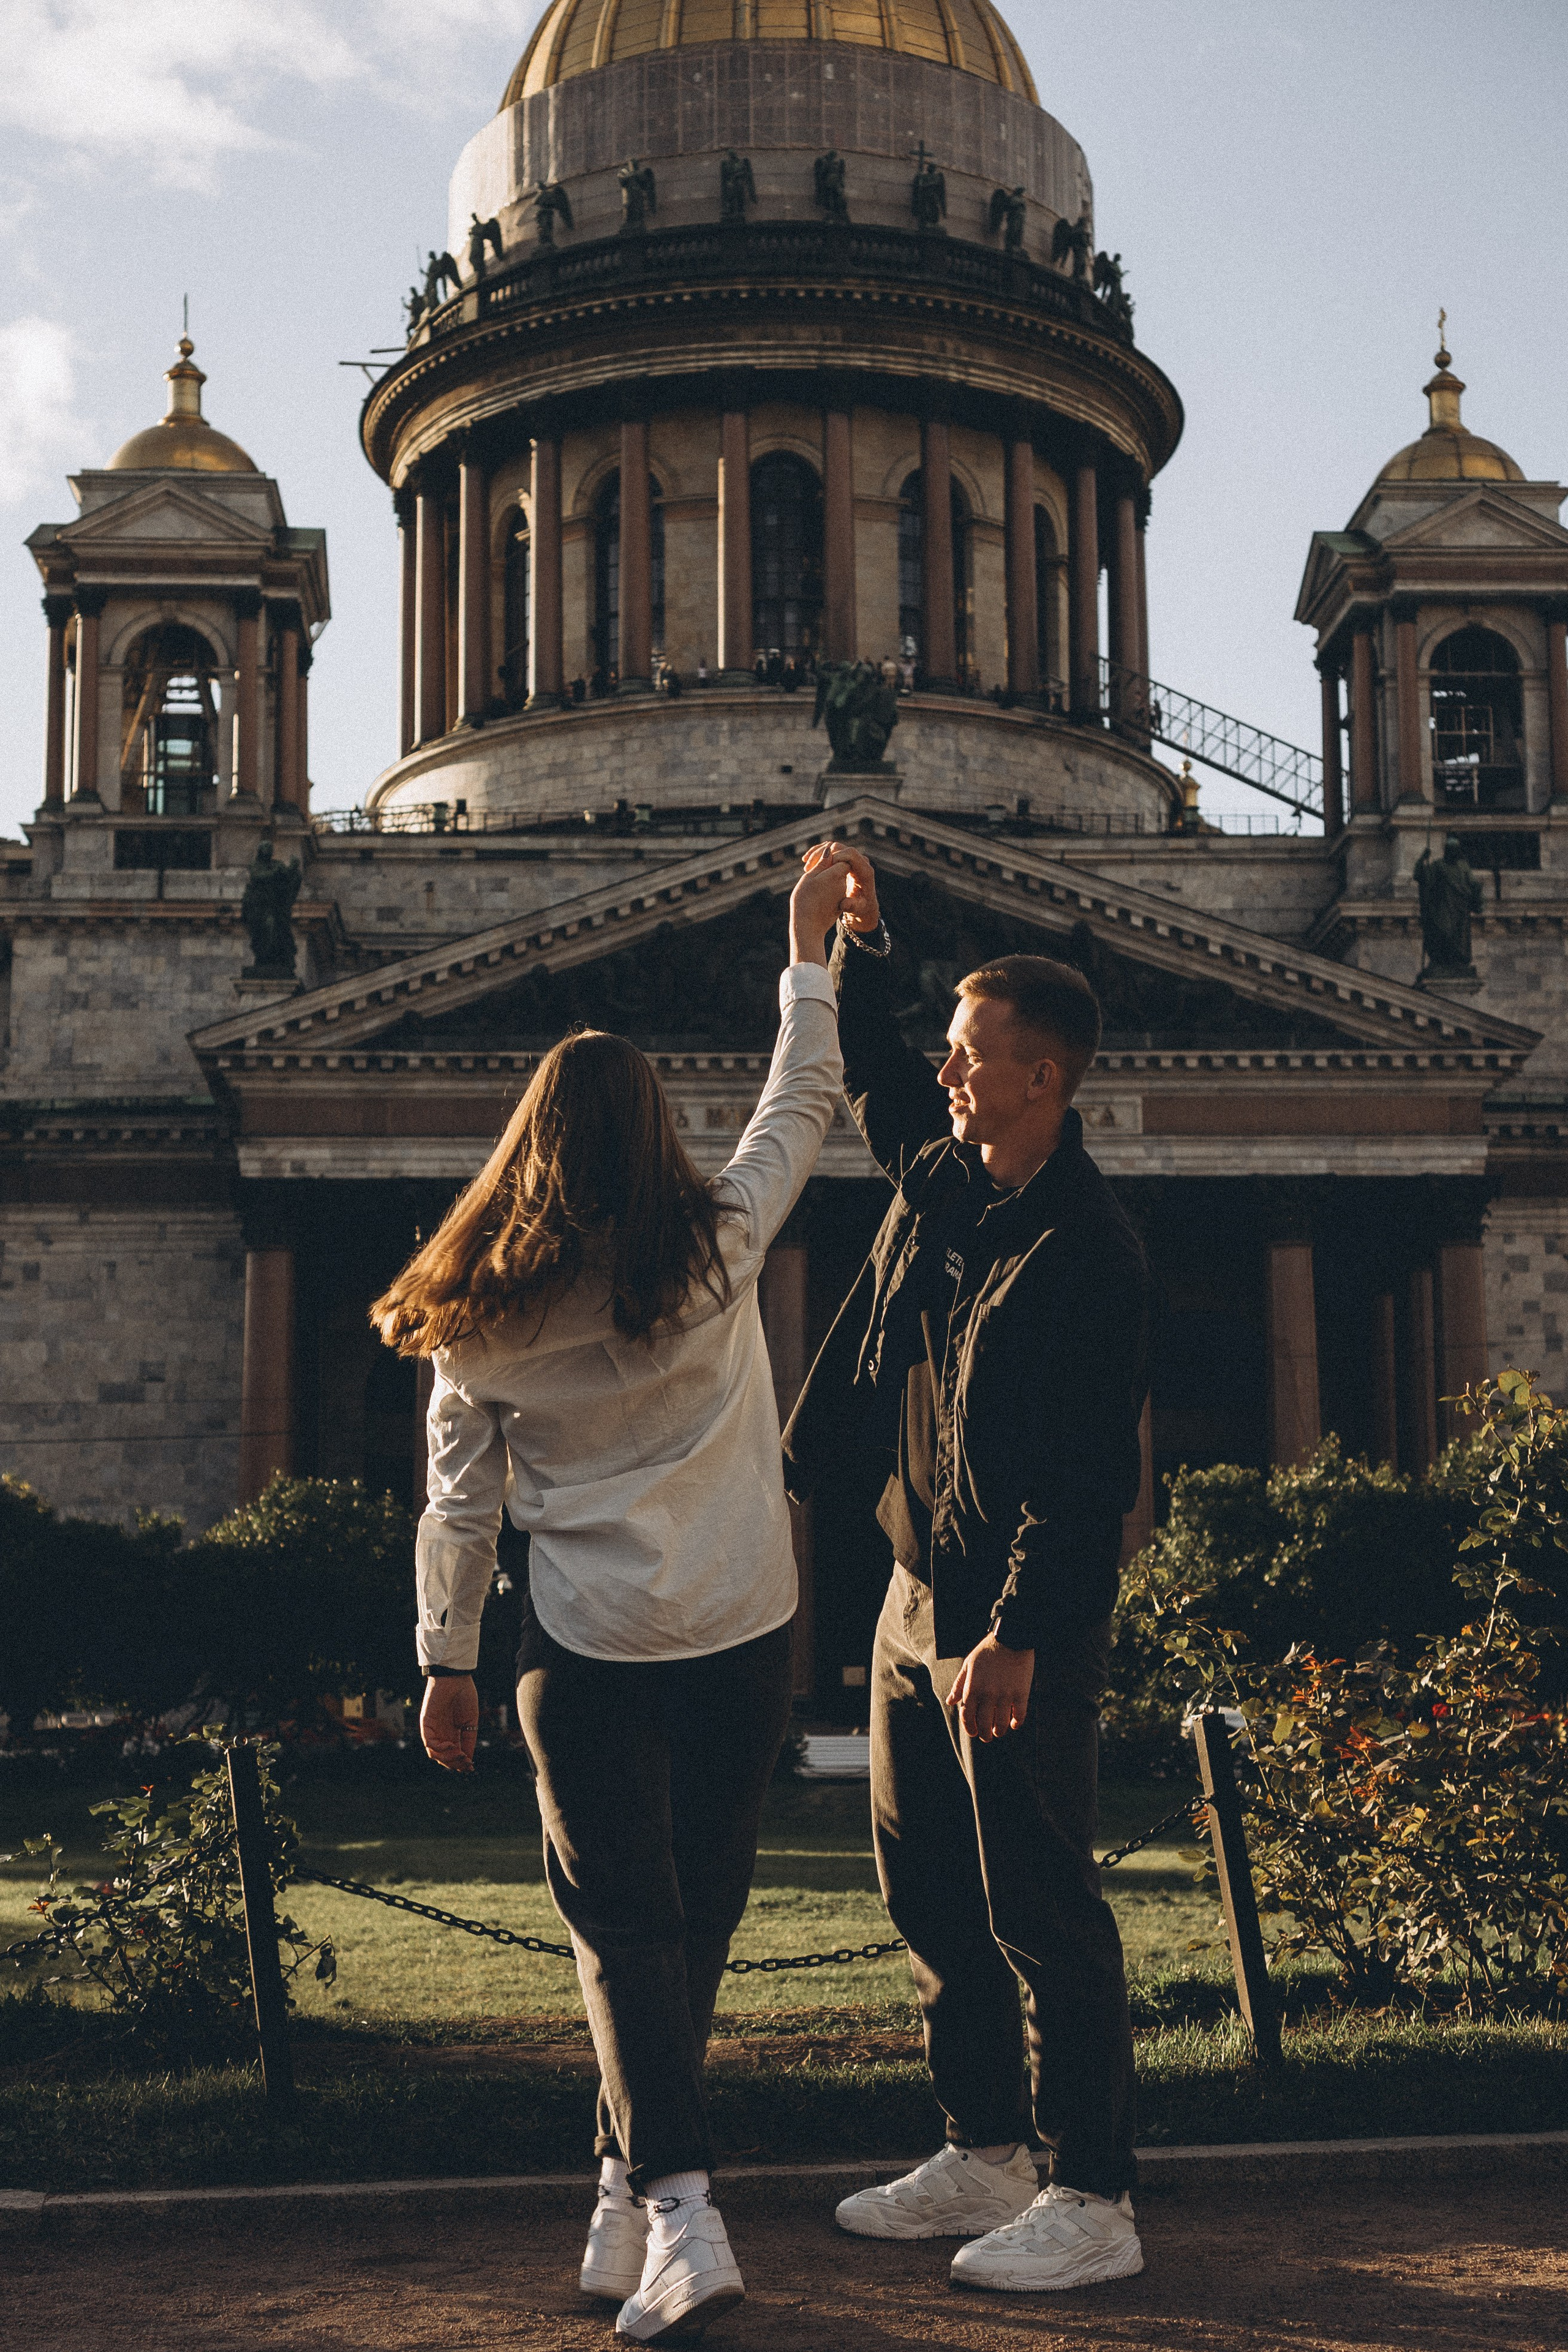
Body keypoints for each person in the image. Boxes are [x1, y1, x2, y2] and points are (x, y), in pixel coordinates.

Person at [372, 846, 858, 2343]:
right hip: (744, 1633)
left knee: (622, 1935)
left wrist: (444, 1666)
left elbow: (457, 1510)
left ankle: (664, 2208)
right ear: (658, 1136)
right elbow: (797, 1102)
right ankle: (642, 2202)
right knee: (687, 1928)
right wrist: (806, 956)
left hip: (580, 1651)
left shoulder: (475, 1323)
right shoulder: (718, 1252)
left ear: (524, 1148)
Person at [782, 845, 1151, 2294]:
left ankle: (1094, 2194)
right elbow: (875, 1086)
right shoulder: (954, 1188)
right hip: (911, 1595)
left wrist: (1013, 1637)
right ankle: (985, 2148)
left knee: (1039, 1905)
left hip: (1007, 1623)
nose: (945, 1071)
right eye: (948, 1047)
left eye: (968, 1053)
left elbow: (1083, 1482)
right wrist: (855, 945)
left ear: (1040, 1078)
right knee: (926, 1888)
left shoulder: (1088, 1252)